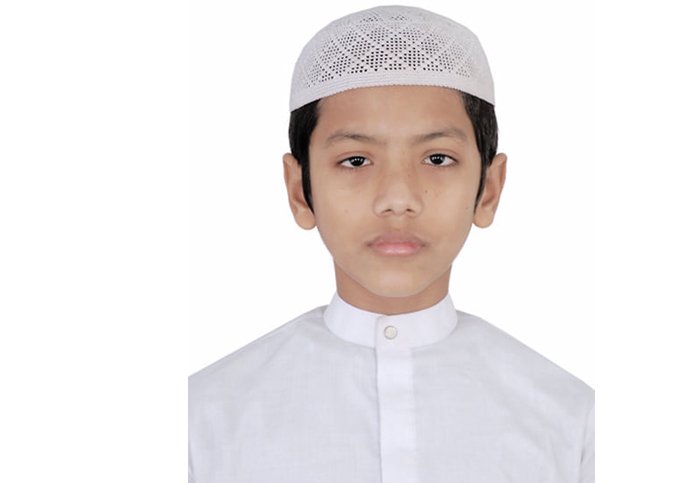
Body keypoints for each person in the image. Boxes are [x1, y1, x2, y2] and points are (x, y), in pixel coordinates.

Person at [189, 5, 594, 483]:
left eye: (437, 158)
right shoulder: (206, 418)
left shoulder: (569, 418)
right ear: (300, 190)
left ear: (488, 188)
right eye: (356, 160)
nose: (398, 199)